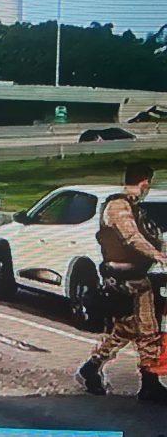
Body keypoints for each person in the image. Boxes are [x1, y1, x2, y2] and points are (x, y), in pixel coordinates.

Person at [76, 162, 167, 403]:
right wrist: (157, 255)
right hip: (128, 281)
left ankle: (91, 367)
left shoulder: (133, 207)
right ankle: (149, 384)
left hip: (131, 278)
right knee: (147, 331)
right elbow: (131, 237)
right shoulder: (118, 206)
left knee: (126, 330)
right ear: (145, 182)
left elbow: (149, 235)